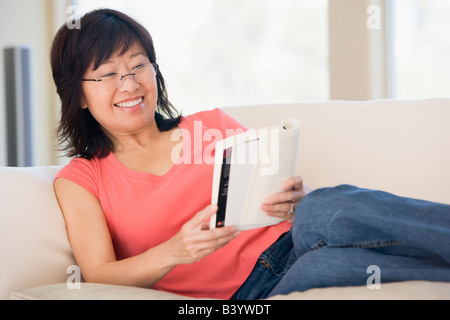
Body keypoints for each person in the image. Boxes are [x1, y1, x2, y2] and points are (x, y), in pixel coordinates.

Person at [51, 9, 450, 300]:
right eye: (106, 74)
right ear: (79, 96)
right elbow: (97, 273)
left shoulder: (211, 126)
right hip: (252, 292)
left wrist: (295, 199)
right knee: (326, 267)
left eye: (139, 66)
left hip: (292, 239)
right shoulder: (81, 179)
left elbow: (290, 199)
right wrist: (174, 251)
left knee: (317, 210)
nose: (129, 83)